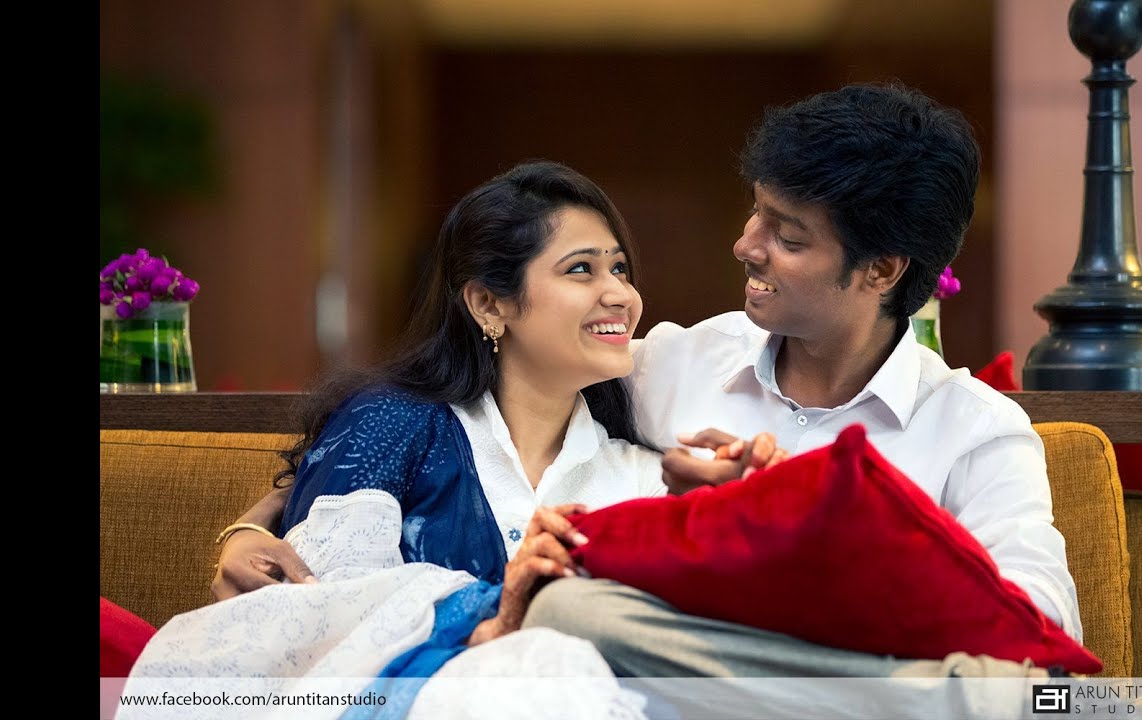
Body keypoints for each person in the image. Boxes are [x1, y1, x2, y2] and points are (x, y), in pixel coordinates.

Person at [213, 82, 1081, 681]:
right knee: (572, 617)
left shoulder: (975, 430)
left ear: (882, 270)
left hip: (841, 684)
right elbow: (454, 417)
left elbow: (1041, 632)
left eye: (788, 236)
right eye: (756, 212)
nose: (746, 246)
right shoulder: (671, 364)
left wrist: (802, 525)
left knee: (1019, 691)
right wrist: (256, 521)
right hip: (665, 684)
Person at [121, 160, 680, 719]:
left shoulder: (644, 480)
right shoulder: (391, 425)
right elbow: (322, 614)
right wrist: (494, 613)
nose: (620, 294)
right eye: (581, 269)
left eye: (620, 269)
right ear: (489, 304)